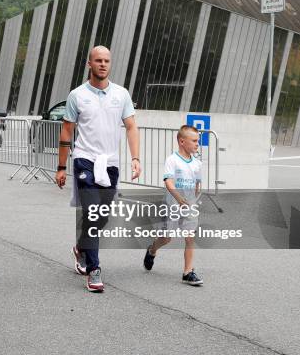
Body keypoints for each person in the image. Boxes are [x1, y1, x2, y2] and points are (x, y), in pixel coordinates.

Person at [55, 46, 141, 293]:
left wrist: (135, 158)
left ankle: (81, 247)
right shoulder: (77, 95)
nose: (103, 64)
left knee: (102, 215)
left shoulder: (121, 94)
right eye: (98, 60)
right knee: (92, 213)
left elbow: (132, 127)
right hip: (85, 160)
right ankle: (94, 270)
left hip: (110, 163)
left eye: (106, 61)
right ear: (89, 64)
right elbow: (67, 131)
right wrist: (61, 167)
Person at [143, 125, 204, 286]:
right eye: (194, 141)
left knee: (190, 238)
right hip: (172, 206)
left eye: (198, 140)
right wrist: (178, 198)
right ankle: (152, 250)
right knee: (166, 238)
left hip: (189, 207)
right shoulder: (172, 160)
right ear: (182, 141)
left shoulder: (198, 163)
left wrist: (194, 199)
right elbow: (168, 181)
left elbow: (198, 184)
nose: (198, 144)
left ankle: (188, 272)